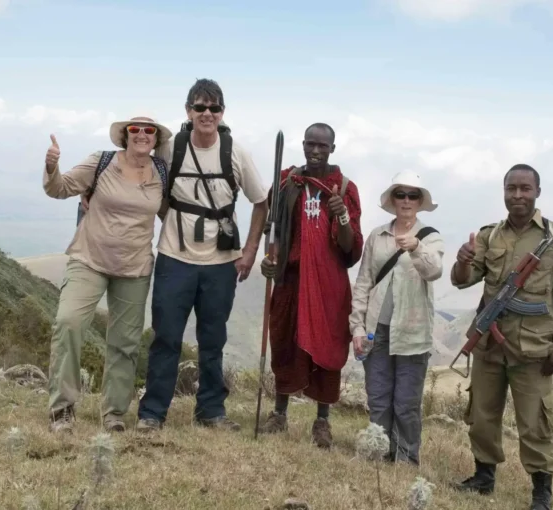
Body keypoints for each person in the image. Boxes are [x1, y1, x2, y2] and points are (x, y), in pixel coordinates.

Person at [136, 79, 268, 432]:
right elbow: (140, 176)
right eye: (200, 107)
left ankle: (210, 411)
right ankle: (152, 413)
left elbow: (261, 201)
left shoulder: (235, 153)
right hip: (174, 257)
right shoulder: (171, 148)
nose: (206, 114)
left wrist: (249, 251)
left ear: (222, 113)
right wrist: (91, 190)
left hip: (221, 263)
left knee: (213, 339)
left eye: (213, 108)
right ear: (188, 111)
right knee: (166, 336)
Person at [449, 163, 553, 510]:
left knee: (535, 422)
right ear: (504, 192)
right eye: (512, 188)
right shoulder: (490, 235)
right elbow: (463, 279)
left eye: (525, 188)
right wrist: (462, 260)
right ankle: (483, 477)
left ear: (537, 192)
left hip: (533, 348)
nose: (518, 195)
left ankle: (541, 492)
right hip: (489, 344)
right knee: (482, 415)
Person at [42, 115, 172, 433]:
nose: (141, 134)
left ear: (156, 139)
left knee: (125, 343)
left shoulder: (161, 172)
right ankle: (62, 409)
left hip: (135, 268)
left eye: (149, 130)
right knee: (69, 323)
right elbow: (59, 188)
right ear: (125, 135)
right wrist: (51, 166)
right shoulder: (101, 162)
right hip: (88, 259)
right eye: (134, 129)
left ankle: (114, 413)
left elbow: (170, 213)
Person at [256, 122, 364, 448]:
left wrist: (341, 214)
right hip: (290, 278)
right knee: (284, 342)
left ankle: (322, 421)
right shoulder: (288, 182)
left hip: (329, 284)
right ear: (303, 145)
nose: (316, 151)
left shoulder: (344, 188)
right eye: (310, 144)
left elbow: (349, 247)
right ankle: (279, 414)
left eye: (322, 146)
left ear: (332, 149)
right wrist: (269, 259)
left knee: (327, 348)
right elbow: (274, 230)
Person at [349, 170, 444, 465]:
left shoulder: (431, 237)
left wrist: (416, 247)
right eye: (400, 194)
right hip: (376, 329)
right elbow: (363, 282)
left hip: (413, 332)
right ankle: (378, 453)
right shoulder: (377, 236)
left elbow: (434, 271)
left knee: (406, 402)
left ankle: (405, 459)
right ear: (392, 199)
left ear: (420, 201)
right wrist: (357, 327)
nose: (406, 200)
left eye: (412, 195)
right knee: (378, 397)